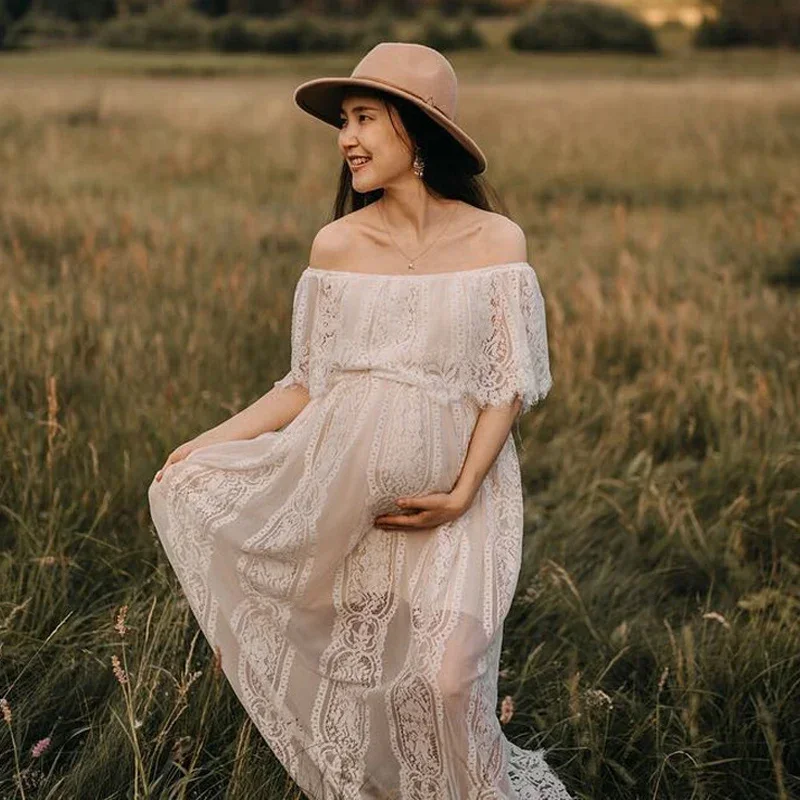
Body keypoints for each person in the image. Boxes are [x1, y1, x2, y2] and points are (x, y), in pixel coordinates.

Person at [148, 41, 572, 800]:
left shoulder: (497, 243)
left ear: (419, 132)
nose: (346, 137)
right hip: (342, 496)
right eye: (344, 120)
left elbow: (504, 386)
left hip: (456, 503)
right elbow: (304, 385)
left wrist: (465, 490)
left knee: (448, 679)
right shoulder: (337, 246)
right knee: (367, 669)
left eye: (365, 118)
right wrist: (203, 447)